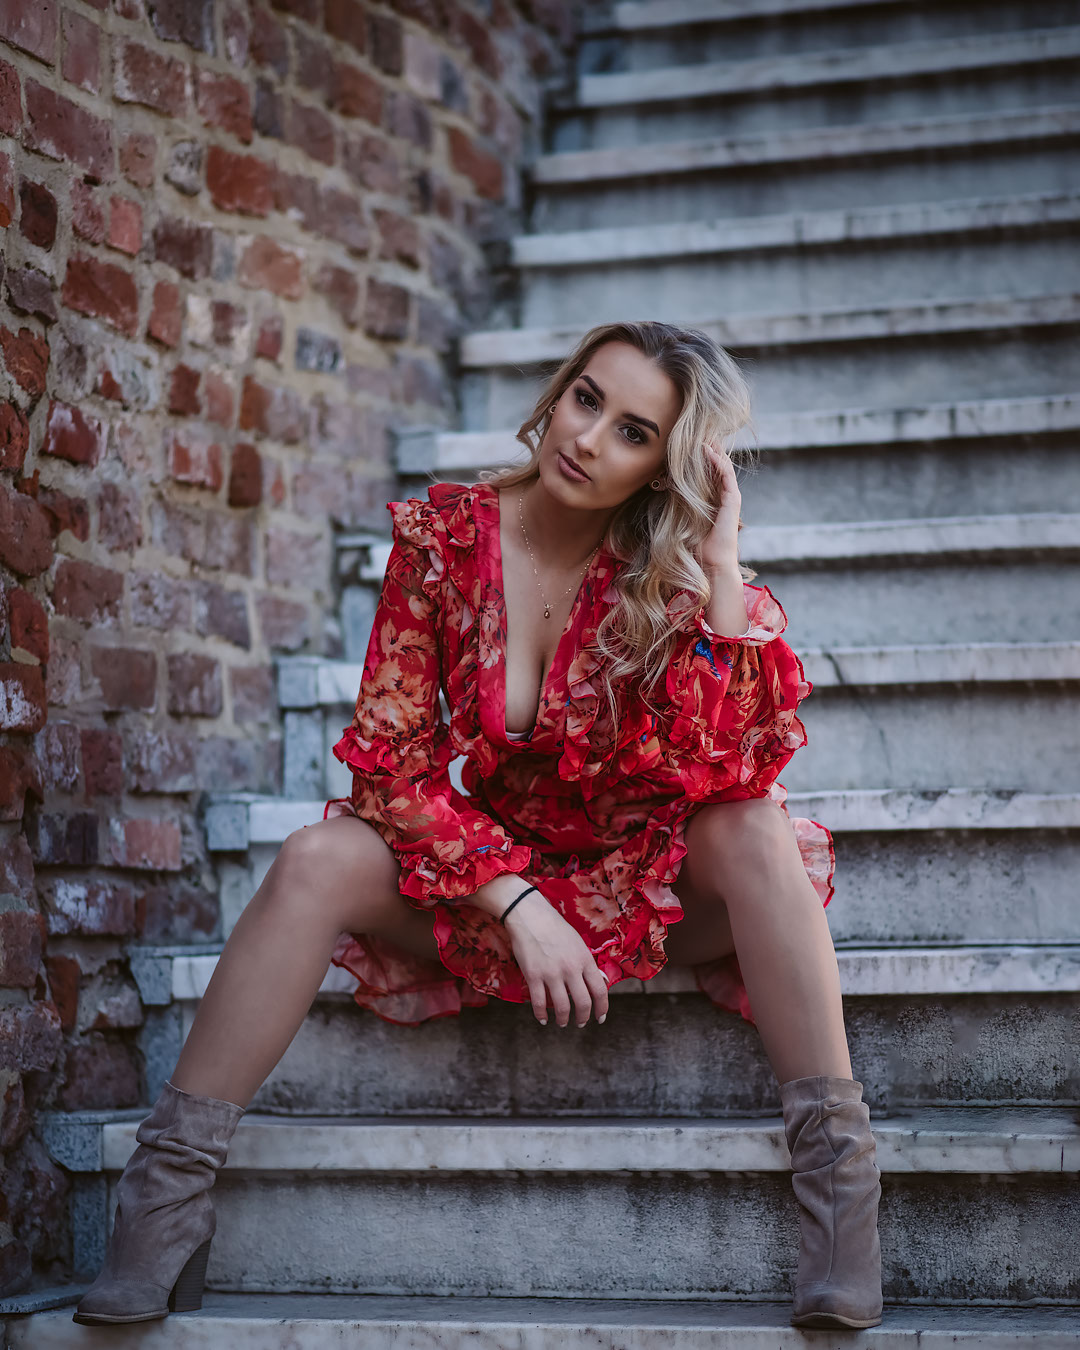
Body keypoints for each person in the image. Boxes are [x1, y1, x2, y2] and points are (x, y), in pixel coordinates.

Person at [73, 320, 883, 1331]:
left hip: (649, 888)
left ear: (663, 467)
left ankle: (840, 1192)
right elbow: (390, 764)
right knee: (316, 856)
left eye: (633, 432)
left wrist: (720, 568)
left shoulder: (666, 577)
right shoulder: (444, 542)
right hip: (490, 882)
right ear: (559, 390)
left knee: (754, 823)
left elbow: (732, 762)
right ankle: (165, 1198)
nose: (588, 439)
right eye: (587, 399)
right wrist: (518, 902)